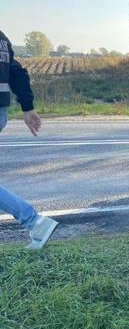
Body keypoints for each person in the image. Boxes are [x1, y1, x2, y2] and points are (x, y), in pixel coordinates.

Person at [0, 29, 58, 249]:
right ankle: (34, 222)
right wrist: (27, 107)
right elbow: (16, 72)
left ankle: (34, 221)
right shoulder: (2, 38)